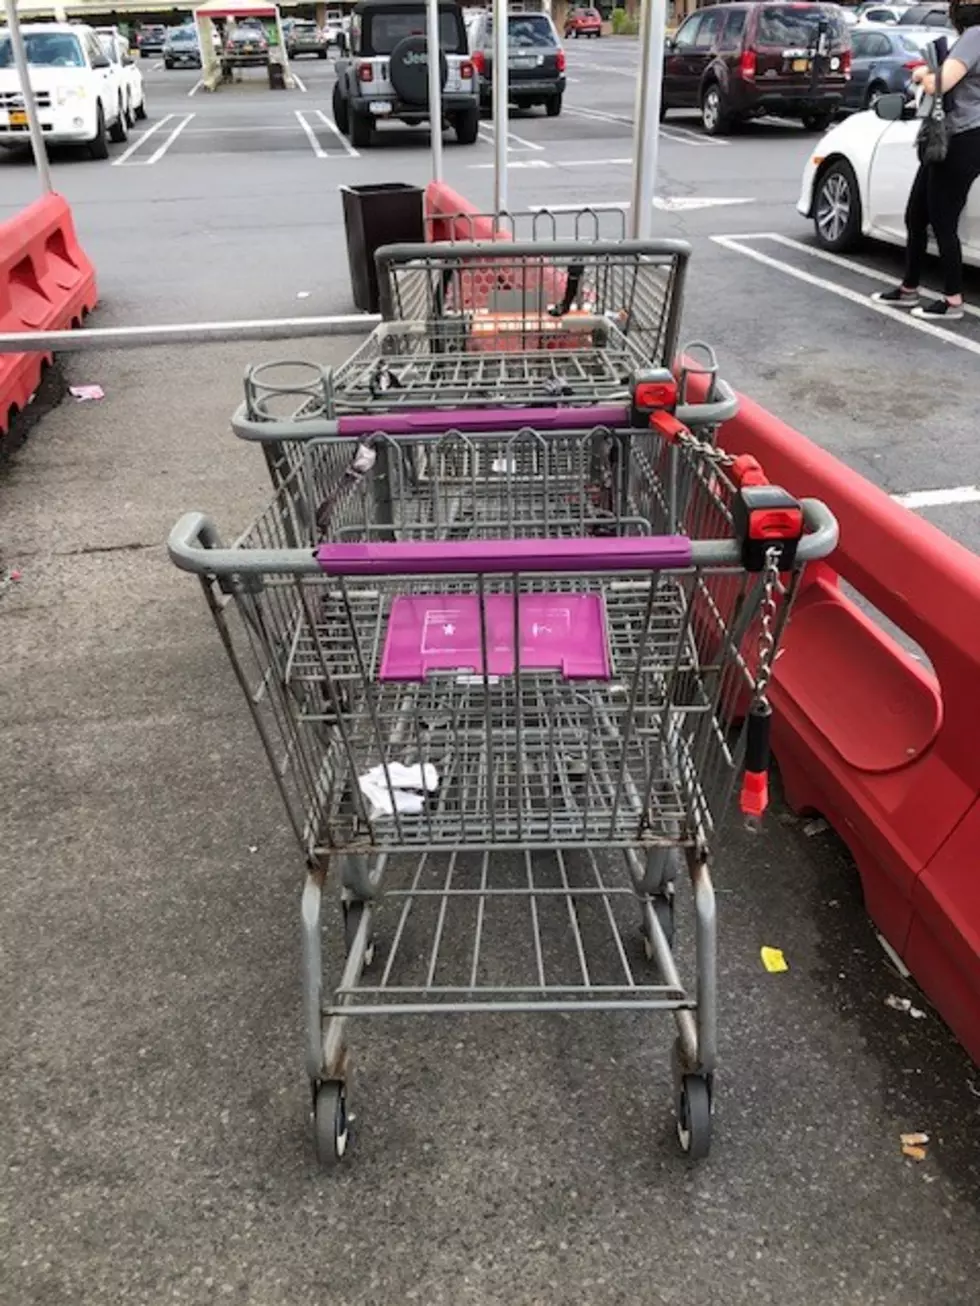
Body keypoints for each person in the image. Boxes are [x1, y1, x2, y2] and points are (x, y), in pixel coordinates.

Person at [873, 0, 980, 320]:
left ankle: (952, 301)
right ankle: (909, 288)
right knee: (916, 214)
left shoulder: (975, 35)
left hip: (963, 137)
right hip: (949, 137)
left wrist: (922, 72)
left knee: (943, 221)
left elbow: (939, 83)